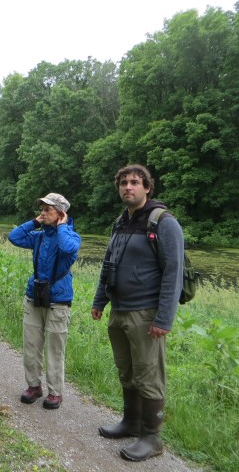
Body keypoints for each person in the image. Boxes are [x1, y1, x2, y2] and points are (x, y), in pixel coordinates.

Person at [91, 164, 184, 461]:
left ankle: (152, 437)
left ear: (147, 187)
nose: (128, 187)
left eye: (134, 182)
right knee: (127, 371)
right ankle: (130, 423)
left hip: (146, 314)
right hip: (119, 311)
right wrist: (98, 301)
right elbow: (109, 264)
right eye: (123, 183)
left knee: (149, 375)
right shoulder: (121, 222)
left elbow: (174, 272)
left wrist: (164, 318)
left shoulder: (163, 222)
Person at [8, 193, 81, 410]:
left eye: (48, 209)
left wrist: (62, 226)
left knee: (55, 350)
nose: (42, 212)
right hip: (34, 295)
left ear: (61, 214)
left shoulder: (71, 236)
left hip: (58, 300)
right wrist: (34, 222)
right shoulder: (39, 236)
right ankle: (33, 386)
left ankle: (55, 392)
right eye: (42, 208)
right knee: (31, 345)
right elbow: (14, 237)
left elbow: (68, 249)